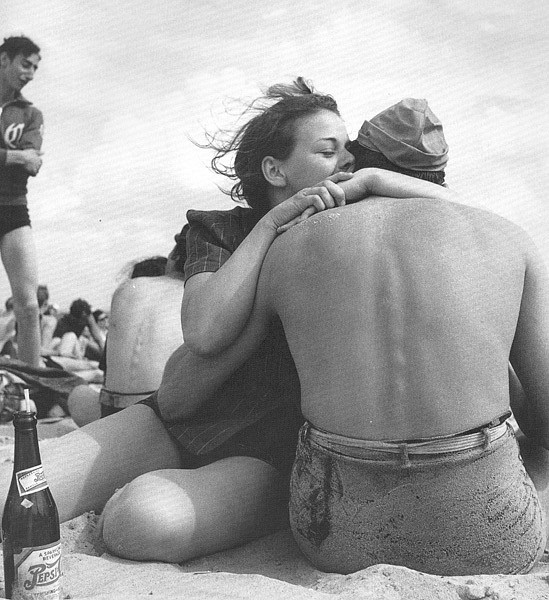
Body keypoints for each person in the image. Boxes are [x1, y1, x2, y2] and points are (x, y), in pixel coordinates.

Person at [0, 81, 458, 564]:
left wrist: (376, 183)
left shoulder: (346, 231)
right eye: (330, 151)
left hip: (266, 449)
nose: (348, 161)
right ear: (274, 169)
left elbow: (470, 218)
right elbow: (204, 331)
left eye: (351, 152)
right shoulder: (221, 230)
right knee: (20, 492)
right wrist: (269, 226)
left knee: (140, 524)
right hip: (179, 417)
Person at [176, 102, 549, 576]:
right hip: (490, 537)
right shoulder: (506, 237)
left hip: (335, 537)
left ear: (360, 163)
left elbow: (196, 367)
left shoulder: (289, 243)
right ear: (436, 177)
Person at [67, 255, 184, 426]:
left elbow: (108, 377)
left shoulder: (126, 302)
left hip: (119, 419)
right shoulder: (179, 302)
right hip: (170, 416)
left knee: (78, 394)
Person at [0, 35, 44, 368]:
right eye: (24, 64)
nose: (30, 73)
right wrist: (16, 157)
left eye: (34, 67)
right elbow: (24, 158)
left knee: (28, 306)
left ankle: (34, 387)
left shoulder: (30, 113)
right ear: (4, 60)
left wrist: (17, 159)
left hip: (13, 207)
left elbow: (34, 164)